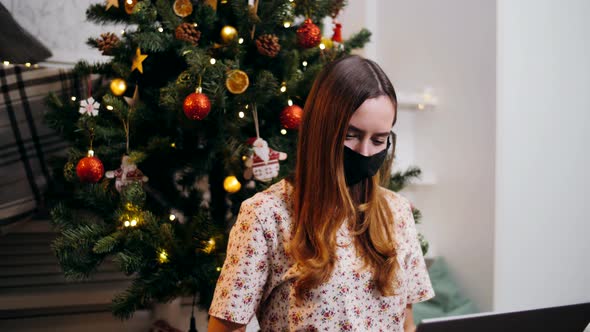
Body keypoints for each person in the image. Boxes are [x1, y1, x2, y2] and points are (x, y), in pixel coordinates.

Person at [208, 55, 434, 332]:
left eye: (378, 140)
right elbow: (225, 327)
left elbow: (406, 322)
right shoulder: (266, 214)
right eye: (351, 135)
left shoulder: (397, 212)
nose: (365, 152)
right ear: (322, 131)